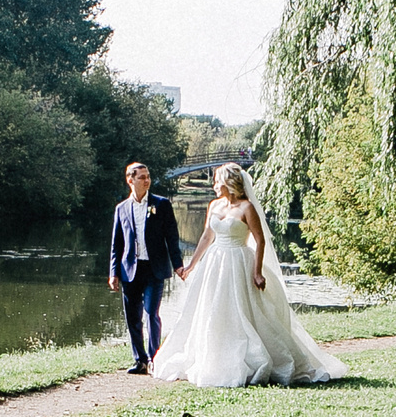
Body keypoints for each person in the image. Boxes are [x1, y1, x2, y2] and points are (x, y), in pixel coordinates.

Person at [152, 163, 346, 388]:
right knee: (212, 309)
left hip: (238, 261)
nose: (214, 186)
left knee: (243, 311)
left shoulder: (246, 208)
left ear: (228, 183)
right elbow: (206, 236)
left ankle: (252, 358)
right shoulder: (214, 205)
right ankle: (213, 354)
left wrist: (257, 271)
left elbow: (260, 240)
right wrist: (192, 265)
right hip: (215, 262)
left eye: (217, 182)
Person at [107, 160, 186, 375]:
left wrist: (178, 265)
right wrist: (113, 272)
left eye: (148, 176)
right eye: (142, 177)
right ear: (130, 180)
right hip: (130, 269)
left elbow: (172, 237)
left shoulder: (161, 205)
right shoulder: (121, 209)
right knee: (132, 316)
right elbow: (117, 244)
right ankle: (139, 360)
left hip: (154, 268)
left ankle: (154, 358)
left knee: (152, 313)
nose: (147, 180)